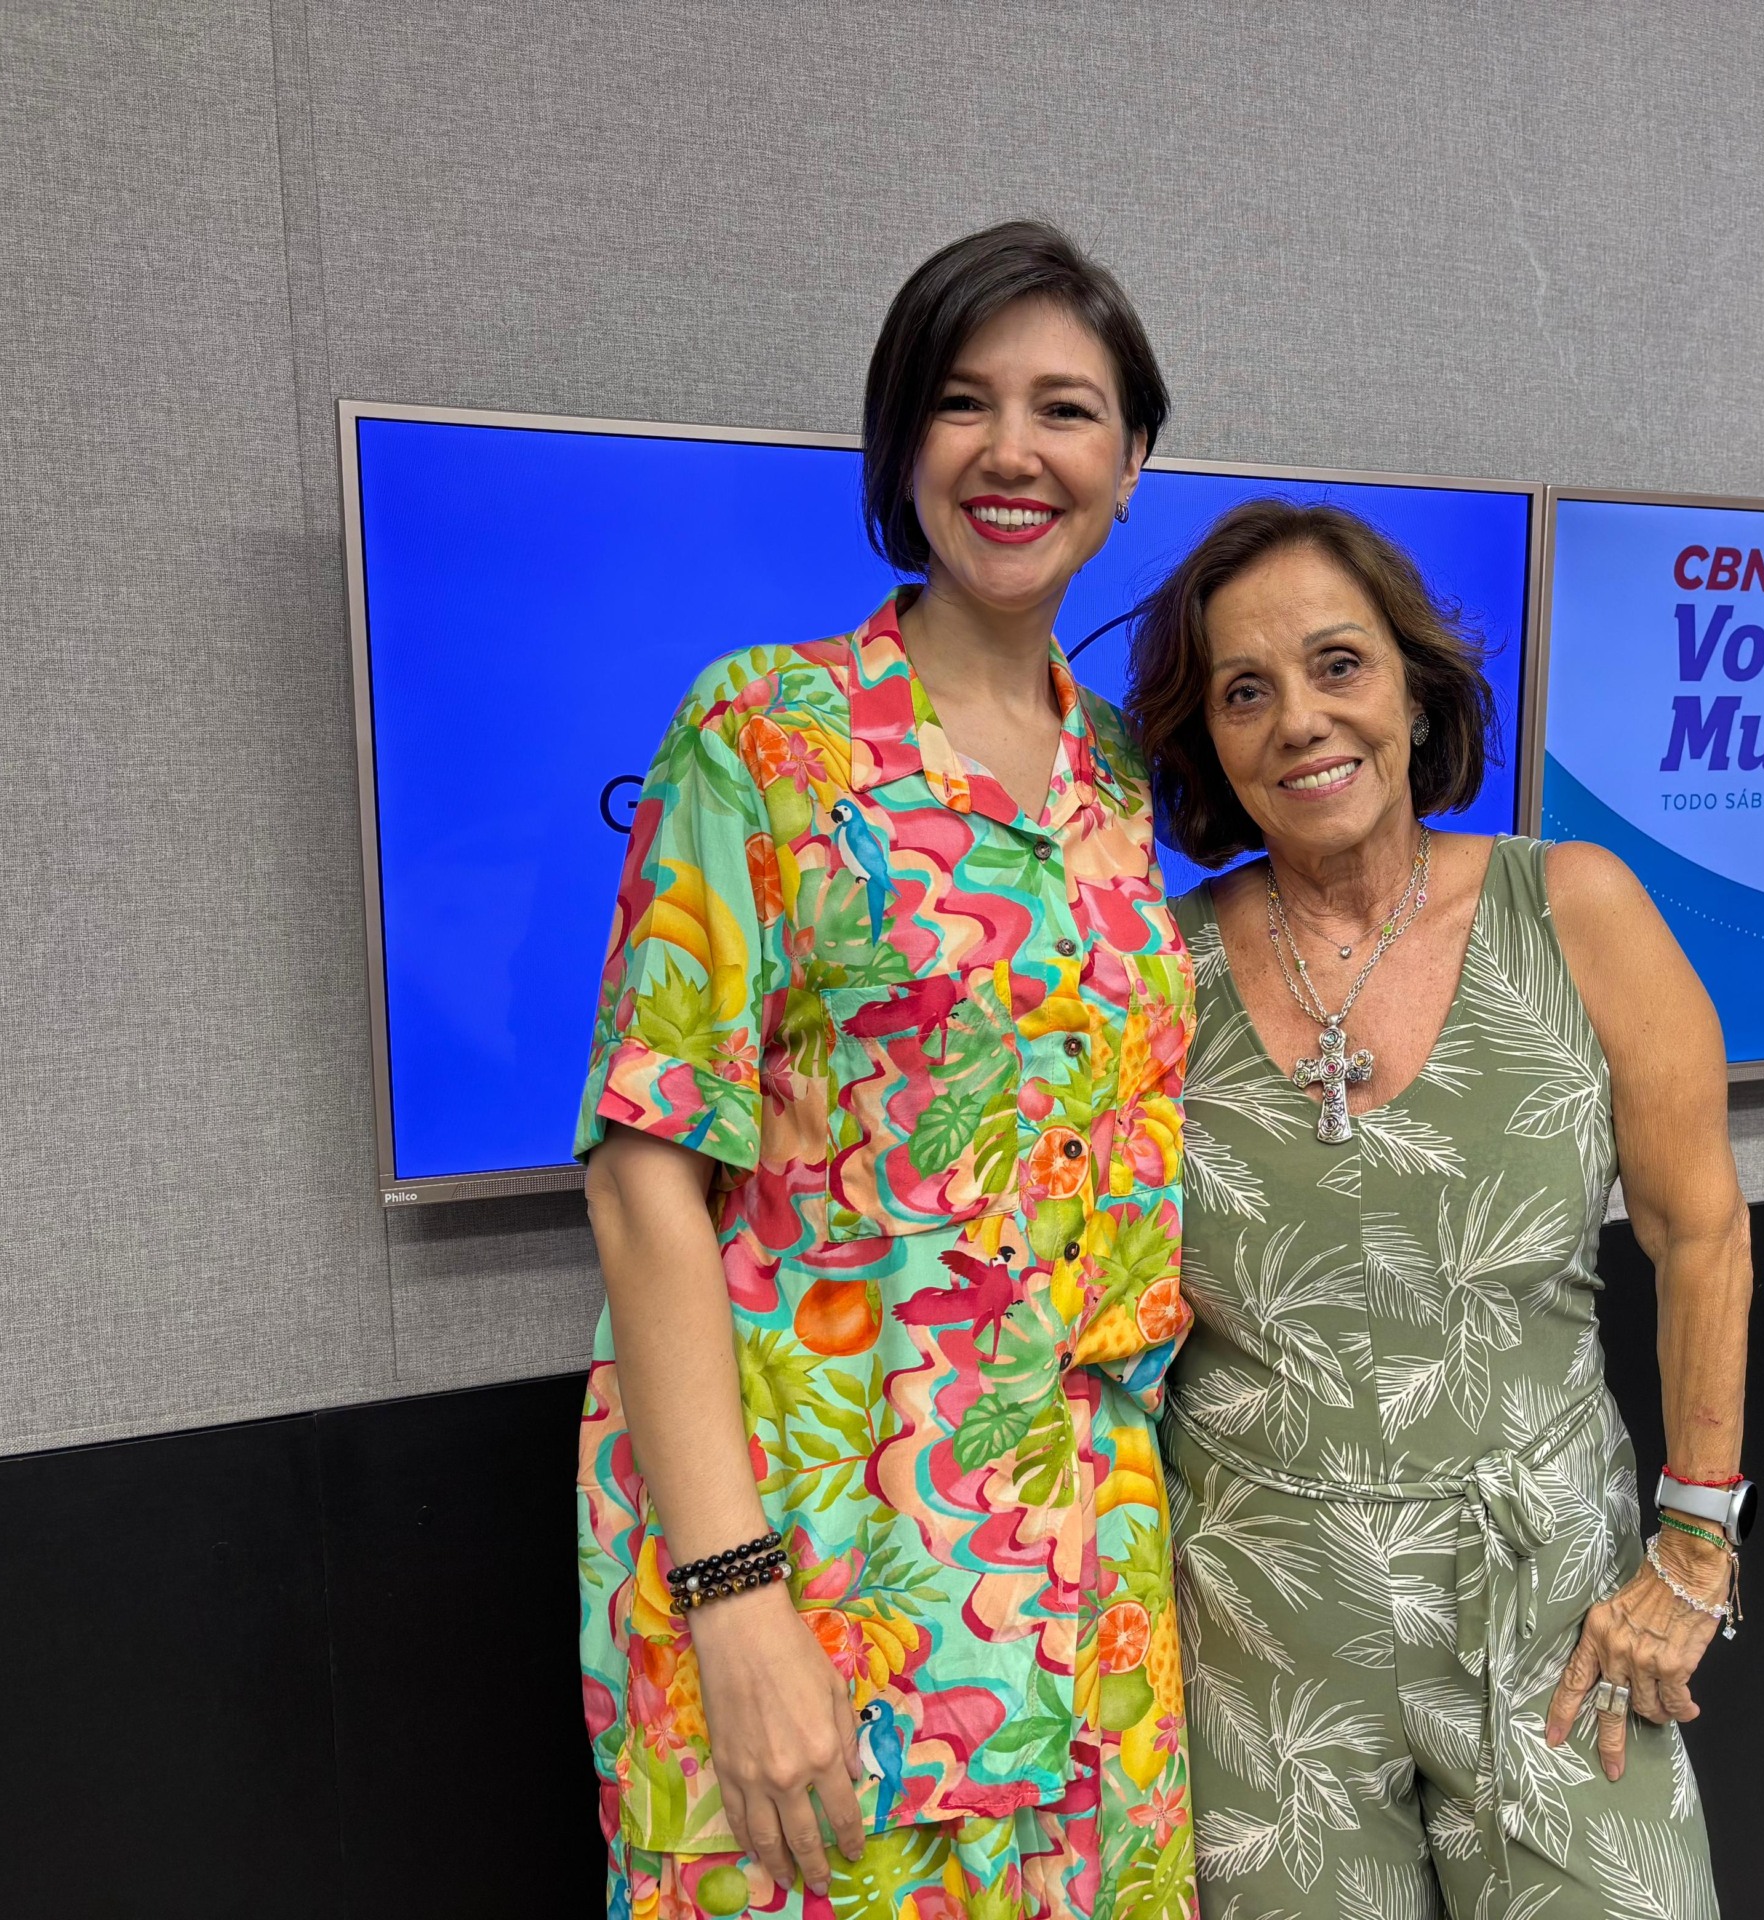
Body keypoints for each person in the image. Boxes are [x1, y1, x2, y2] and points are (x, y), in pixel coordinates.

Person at [575, 220, 1198, 1920]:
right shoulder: (763, 736)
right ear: (899, 445)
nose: (1014, 451)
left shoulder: (1133, 787)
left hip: (1090, 1613)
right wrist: (734, 1596)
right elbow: (646, 1176)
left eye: (1066, 410)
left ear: (1131, 464)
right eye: (961, 402)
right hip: (819, 1576)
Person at [1124, 502, 1754, 1918]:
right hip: (1257, 1646)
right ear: (1209, 742)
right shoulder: (1153, 975)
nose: (1300, 719)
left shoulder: (1574, 910)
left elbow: (1700, 1230)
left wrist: (1698, 1550)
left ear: (1412, 686)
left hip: (1557, 1621)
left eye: (1338, 664)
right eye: (1245, 691)